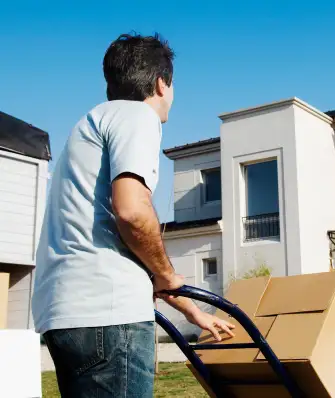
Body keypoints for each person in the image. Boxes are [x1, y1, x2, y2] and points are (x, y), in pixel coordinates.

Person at [32, 33, 235, 397]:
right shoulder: (137, 115)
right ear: (161, 82)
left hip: (66, 315)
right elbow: (132, 213)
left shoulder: (89, 125)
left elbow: (125, 246)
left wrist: (194, 313)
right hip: (108, 321)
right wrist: (169, 273)